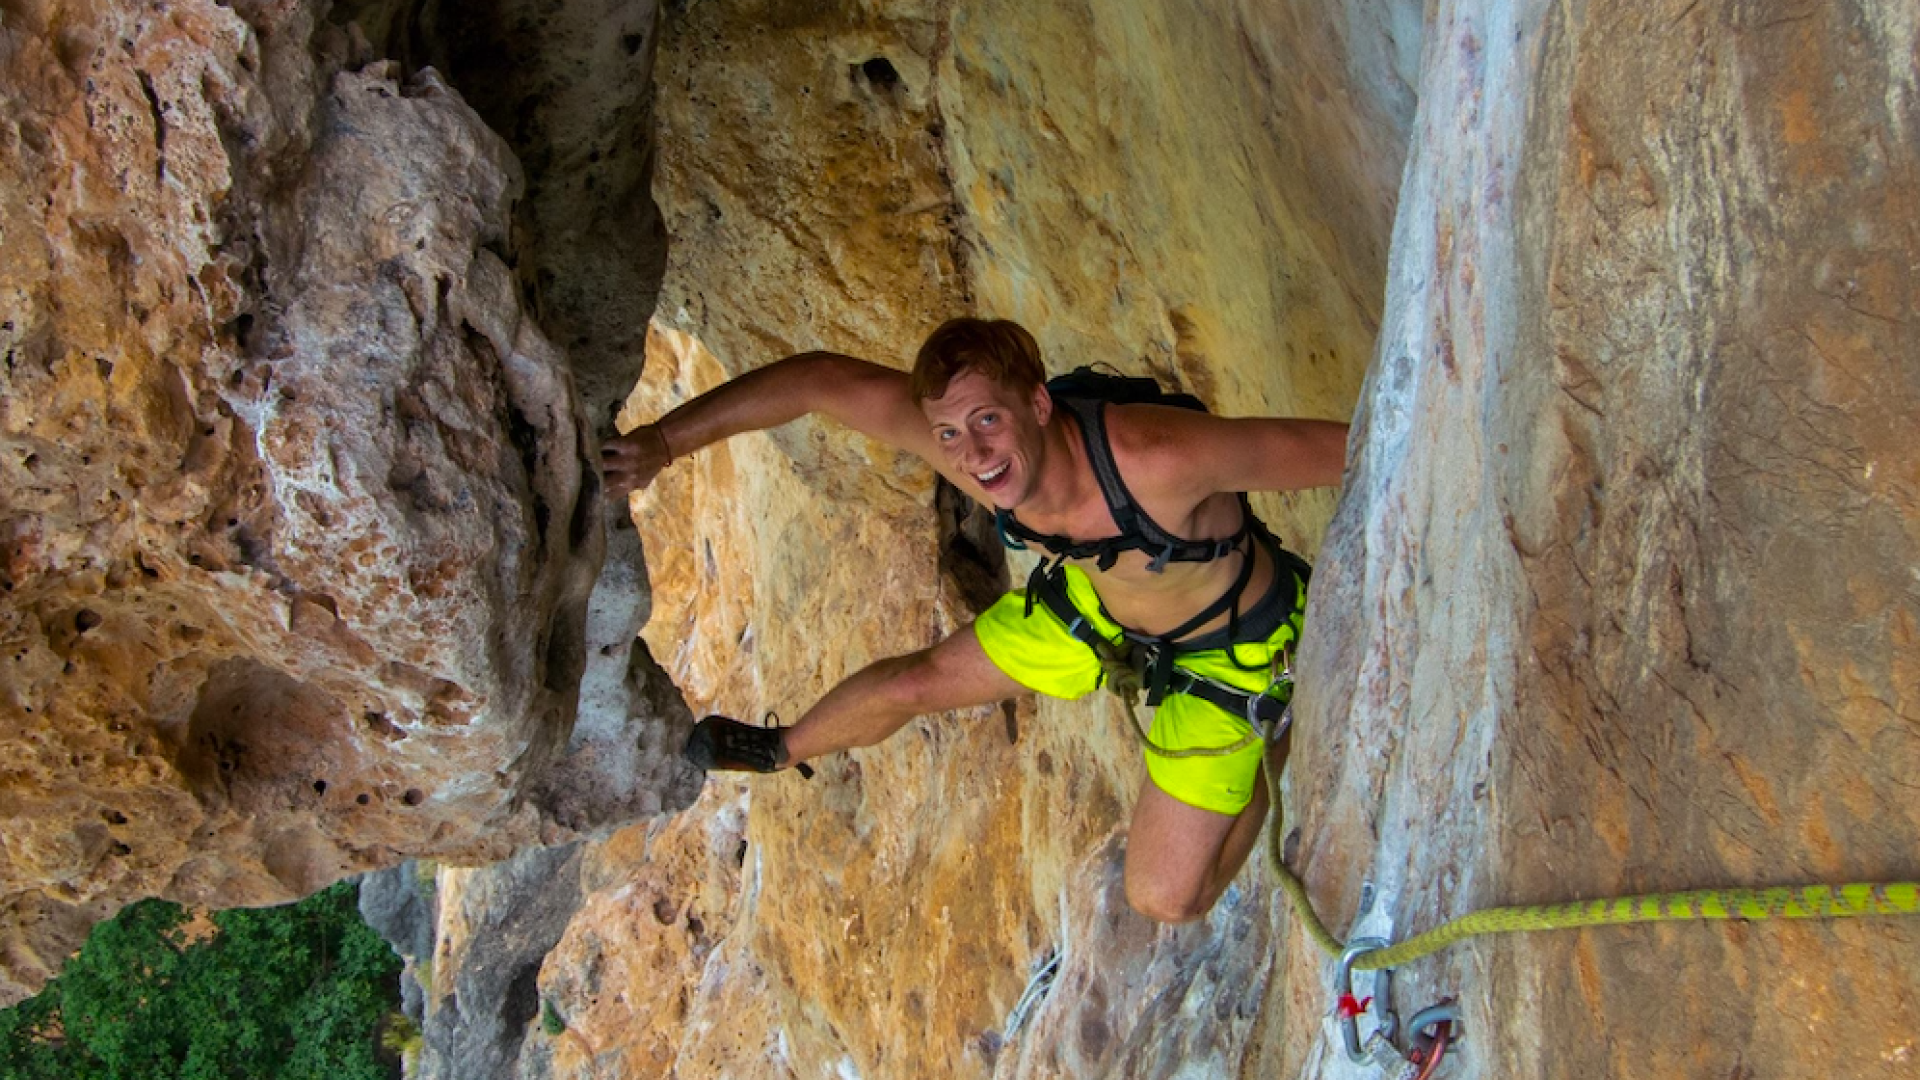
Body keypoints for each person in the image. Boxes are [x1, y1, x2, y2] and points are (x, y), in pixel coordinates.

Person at [602, 318, 1349, 922]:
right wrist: (662, 444)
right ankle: (778, 749)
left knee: (1164, 896)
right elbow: (816, 380)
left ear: (1039, 403)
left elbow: (1352, 449)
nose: (975, 455)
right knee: (917, 681)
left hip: (1234, 648)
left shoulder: (1159, 458)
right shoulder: (967, 452)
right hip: (1101, 611)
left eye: (988, 420)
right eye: (952, 434)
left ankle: (1273, 735)